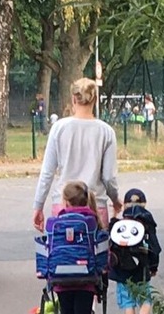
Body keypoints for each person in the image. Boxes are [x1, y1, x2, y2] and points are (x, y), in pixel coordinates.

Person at [32, 77, 122, 235]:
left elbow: (47, 172)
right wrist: (115, 200)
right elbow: (108, 177)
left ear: (73, 98)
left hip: (63, 205)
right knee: (97, 255)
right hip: (95, 206)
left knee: (63, 254)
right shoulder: (106, 132)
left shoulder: (58, 128)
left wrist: (38, 206)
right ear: (94, 99)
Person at [49, 181, 102, 314]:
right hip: (86, 279)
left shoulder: (56, 222)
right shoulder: (92, 221)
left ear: (66, 202)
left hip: (62, 279)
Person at [108, 188, 161, 314]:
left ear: (124, 205)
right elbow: (154, 247)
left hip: (122, 271)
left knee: (128, 302)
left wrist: (113, 215)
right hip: (142, 269)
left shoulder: (119, 224)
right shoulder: (146, 224)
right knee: (146, 298)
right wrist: (153, 266)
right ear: (144, 204)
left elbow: (110, 238)